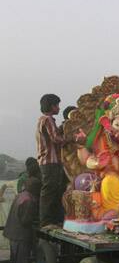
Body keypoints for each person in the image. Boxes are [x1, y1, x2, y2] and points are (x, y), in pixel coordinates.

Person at [3, 177, 41, 263]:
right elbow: (25, 221)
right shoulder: (29, 201)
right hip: (21, 236)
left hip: (12, 233)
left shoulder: (21, 195)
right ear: (36, 189)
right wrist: (36, 220)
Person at [36, 94, 67, 227]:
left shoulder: (43, 120)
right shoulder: (48, 119)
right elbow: (56, 138)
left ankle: (50, 219)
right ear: (51, 106)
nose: (58, 108)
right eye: (57, 105)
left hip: (47, 161)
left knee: (52, 190)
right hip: (50, 161)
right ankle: (46, 221)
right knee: (49, 192)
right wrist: (72, 139)